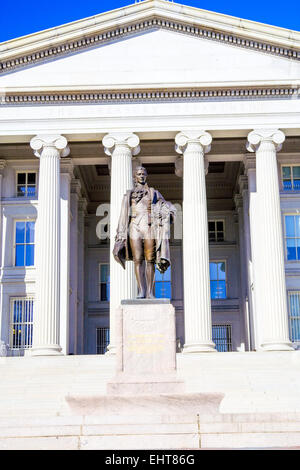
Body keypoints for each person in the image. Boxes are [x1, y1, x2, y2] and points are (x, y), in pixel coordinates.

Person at [113, 166, 176, 299]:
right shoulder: (128, 195)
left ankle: (150, 292)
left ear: (146, 176)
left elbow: (166, 205)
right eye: (139, 174)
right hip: (134, 227)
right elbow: (123, 215)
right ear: (135, 177)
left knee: (150, 260)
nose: (141, 176)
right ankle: (141, 291)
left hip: (149, 227)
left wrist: (169, 212)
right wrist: (120, 235)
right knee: (137, 260)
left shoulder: (154, 192)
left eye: (143, 174)